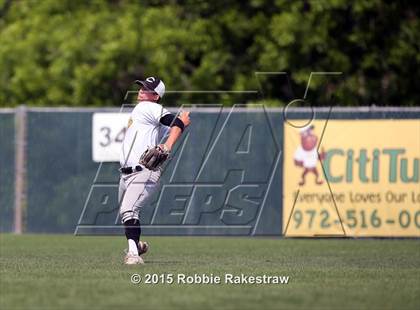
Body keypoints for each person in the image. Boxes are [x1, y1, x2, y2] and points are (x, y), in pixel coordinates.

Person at [119, 77, 190, 265]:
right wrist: (180, 124)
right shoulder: (141, 109)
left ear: (156, 96)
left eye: (147, 89)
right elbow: (179, 123)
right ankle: (137, 244)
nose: (141, 91)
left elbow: (176, 123)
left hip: (142, 171)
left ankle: (133, 255)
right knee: (127, 212)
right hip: (127, 174)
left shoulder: (147, 107)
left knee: (129, 209)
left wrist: (167, 146)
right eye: (141, 87)